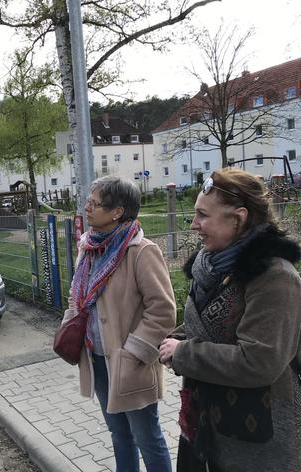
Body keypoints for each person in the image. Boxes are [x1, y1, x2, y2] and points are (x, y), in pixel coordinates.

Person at [159, 167, 301, 471]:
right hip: (209, 421)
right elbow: (212, 328)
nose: (193, 225)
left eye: (203, 215)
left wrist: (185, 353)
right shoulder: (211, 267)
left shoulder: (275, 278)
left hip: (260, 434)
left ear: (238, 218)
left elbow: (259, 362)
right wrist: (180, 338)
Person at [63, 176, 176, 471]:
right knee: (118, 435)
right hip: (97, 359)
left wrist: (134, 352)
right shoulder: (88, 249)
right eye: (88, 201)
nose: (87, 207)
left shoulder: (141, 251)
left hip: (131, 363)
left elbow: (163, 310)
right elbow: (79, 297)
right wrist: (70, 326)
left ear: (117, 211)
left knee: (147, 438)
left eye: (94, 203)